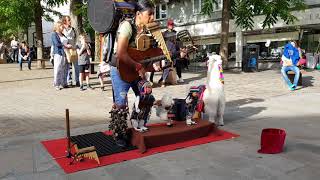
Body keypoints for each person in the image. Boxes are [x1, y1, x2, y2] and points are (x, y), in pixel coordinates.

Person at [108, 0, 156, 147]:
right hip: (120, 71)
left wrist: (153, 64)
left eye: (154, 14)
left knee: (147, 96)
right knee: (121, 105)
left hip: (136, 71)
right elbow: (121, 53)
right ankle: (119, 134)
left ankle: (137, 122)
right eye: (150, 14)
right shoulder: (127, 26)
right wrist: (138, 66)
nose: (153, 18)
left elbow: (144, 55)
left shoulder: (147, 31)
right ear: (138, 14)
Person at [51, 21, 71, 90]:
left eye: (63, 26)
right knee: (58, 69)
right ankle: (57, 84)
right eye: (61, 26)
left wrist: (69, 45)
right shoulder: (54, 34)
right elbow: (57, 44)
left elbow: (66, 42)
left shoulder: (63, 34)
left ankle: (64, 83)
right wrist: (66, 46)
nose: (63, 27)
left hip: (65, 53)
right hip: (58, 53)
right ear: (57, 26)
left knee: (65, 69)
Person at [62, 16, 80, 87]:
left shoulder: (73, 30)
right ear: (65, 21)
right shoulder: (62, 29)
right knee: (67, 66)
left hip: (73, 49)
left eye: (70, 20)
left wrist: (75, 46)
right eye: (68, 20)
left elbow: (76, 39)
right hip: (66, 50)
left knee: (76, 66)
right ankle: (68, 81)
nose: (70, 21)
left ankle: (77, 81)